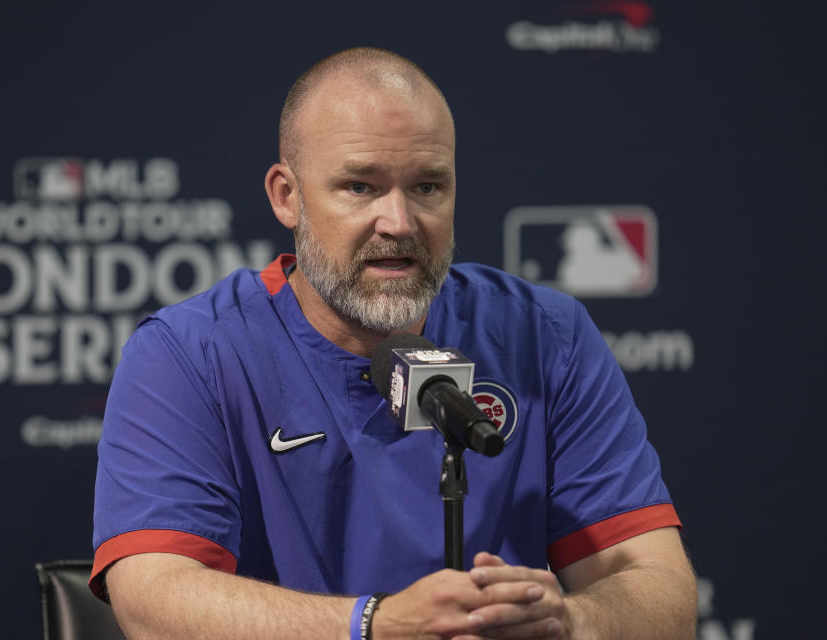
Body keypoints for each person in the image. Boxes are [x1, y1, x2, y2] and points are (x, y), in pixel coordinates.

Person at [91, 47, 696, 639]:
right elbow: (154, 599)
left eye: (428, 187)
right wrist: (375, 626)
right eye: (360, 187)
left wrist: (572, 622)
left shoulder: (546, 336)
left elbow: (658, 583)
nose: (400, 223)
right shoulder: (189, 354)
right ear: (287, 196)